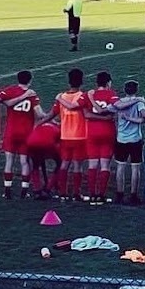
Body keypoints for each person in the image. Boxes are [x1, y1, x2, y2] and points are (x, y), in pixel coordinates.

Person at [0, 71, 38, 197]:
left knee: (9, 161)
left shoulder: (10, 90)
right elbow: (39, 114)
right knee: (24, 161)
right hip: (26, 133)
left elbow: (1, 101)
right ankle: (24, 191)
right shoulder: (32, 94)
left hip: (11, 131)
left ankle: (7, 191)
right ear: (30, 80)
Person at [52, 68, 92, 200]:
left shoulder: (62, 96)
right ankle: (76, 193)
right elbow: (75, 107)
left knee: (65, 164)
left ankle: (62, 192)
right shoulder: (82, 96)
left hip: (65, 136)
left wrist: (42, 122)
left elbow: (52, 114)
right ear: (81, 81)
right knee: (77, 165)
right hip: (79, 136)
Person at [83, 71, 121, 203]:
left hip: (92, 133)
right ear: (108, 82)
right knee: (105, 165)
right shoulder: (111, 94)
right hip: (107, 132)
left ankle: (92, 194)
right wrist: (106, 118)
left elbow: (86, 114)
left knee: (92, 164)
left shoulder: (89, 94)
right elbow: (115, 109)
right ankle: (101, 195)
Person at [111, 81, 145, 205]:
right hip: (135, 139)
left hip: (121, 138)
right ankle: (133, 195)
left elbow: (108, 110)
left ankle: (119, 194)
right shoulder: (139, 103)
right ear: (136, 90)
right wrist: (131, 118)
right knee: (135, 168)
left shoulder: (120, 102)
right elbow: (143, 119)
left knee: (120, 167)